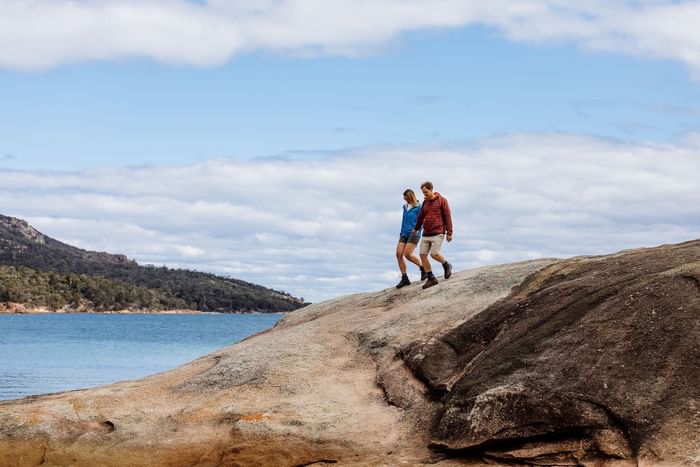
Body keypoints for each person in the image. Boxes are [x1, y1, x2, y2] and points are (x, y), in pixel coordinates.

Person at [411, 181, 453, 289]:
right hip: (426, 233)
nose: (425, 194)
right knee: (422, 255)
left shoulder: (442, 201)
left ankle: (446, 264)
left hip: (438, 232)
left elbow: (447, 217)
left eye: (426, 192)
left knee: (434, 254)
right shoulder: (425, 203)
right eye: (423, 193)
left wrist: (449, 233)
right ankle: (431, 278)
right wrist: (416, 229)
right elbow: (420, 217)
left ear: (431, 189)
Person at [395, 189, 426, 288]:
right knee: (398, 254)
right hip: (404, 233)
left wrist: (417, 230)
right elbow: (403, 220)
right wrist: (401, 231)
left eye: (406, 198)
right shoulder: (405, 207)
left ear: (410, 197)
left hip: (414, 233)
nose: (405, 200)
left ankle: (423, 268)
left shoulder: (419, 207)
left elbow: (422, 221)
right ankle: (404, 278)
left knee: (407, 254)